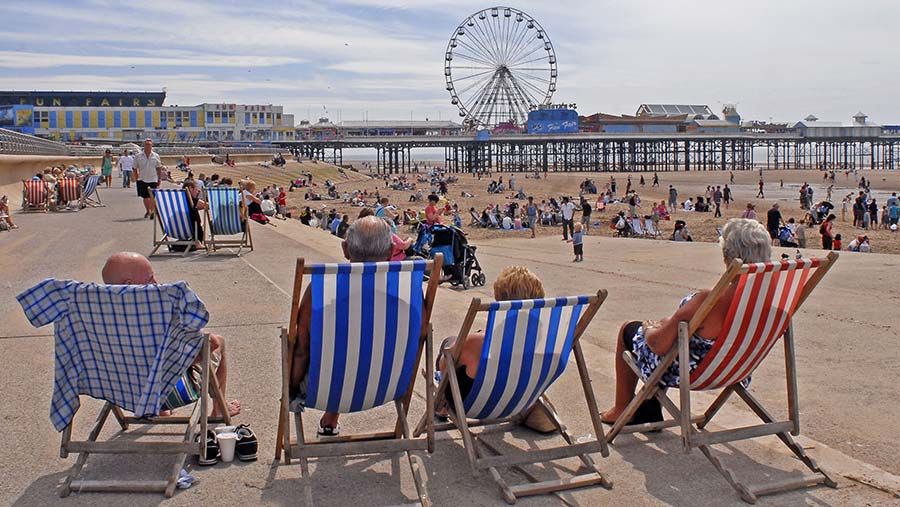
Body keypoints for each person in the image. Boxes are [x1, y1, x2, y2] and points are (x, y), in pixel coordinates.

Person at [601, 219, 772, 425]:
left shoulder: (711, 300)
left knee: (630, 331)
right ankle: (648, 409)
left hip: (695, 372)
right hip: (738, 368)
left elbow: (658, 345)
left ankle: (621, 409)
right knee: (674, 335)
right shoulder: (771, 298)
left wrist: (649, 329)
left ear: (727, 256)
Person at [289, 216, 395, 436]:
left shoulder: (321, 289)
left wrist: (291, 388)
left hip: (323, 388)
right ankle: (331, 417)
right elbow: (420, 338)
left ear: (345, 249)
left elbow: (301, 351)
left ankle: (331, 415)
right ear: (392, 250)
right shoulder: (406, 291)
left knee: (340, 353)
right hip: (387, 385)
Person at [101, 252, 240, 418]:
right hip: (169, 393)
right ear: (130, 284)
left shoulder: (95, 317)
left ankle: (160, 410)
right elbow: (210, 346)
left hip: (122, 392)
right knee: (218, 342)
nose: (156, 282)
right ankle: (219, 409)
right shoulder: (161, 312)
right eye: (150, 277)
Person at [435, 266, 557, 433]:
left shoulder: (479, 343)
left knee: (449, 345)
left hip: (473, 405)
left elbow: (443, 365)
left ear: (500, 300)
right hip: (519, 401)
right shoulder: (549, 341)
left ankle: (441, 404)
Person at [134, 139, 164, 220]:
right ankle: (148, 210)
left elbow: (159, 168)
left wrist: (159, 178)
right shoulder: (138, 156)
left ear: (152, 146)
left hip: (153, 178)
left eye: (149, 145)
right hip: (142, 178)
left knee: (152, 197)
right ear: (144, 145)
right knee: (145, 197)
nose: (148, 146)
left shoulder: (156, 156)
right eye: (146, 144)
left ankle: (152, 211)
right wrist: (136, 177)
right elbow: (134, 167)